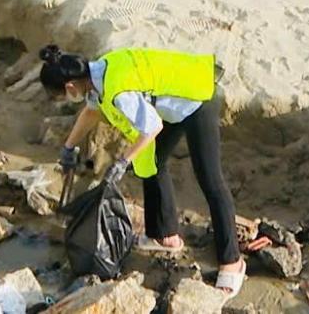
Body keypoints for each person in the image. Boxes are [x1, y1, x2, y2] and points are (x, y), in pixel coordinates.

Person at [40, 45, 245, 297]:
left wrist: (122, 161)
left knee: (210, 181)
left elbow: (152, 127)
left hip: (196, 98)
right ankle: (165, 235)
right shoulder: (96, 76)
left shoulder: (117, 89)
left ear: (70, 87)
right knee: (151, 162)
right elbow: (92, 111)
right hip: (172, 103)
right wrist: (68, 147)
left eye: (62, 96)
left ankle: (232, 262)